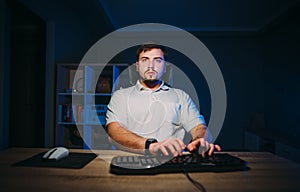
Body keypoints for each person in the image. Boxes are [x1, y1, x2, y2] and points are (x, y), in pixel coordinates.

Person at [105, 43, 221, 157]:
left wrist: (200, 141)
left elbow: (199, 128)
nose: (151, 66)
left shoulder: (181, 96)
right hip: (130, 162)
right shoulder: (120, 96)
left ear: (165, 67)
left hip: (173, 162)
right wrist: (151, 146)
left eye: (157, 60)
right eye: (145, 60)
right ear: (137, 66)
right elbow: (114, 131)